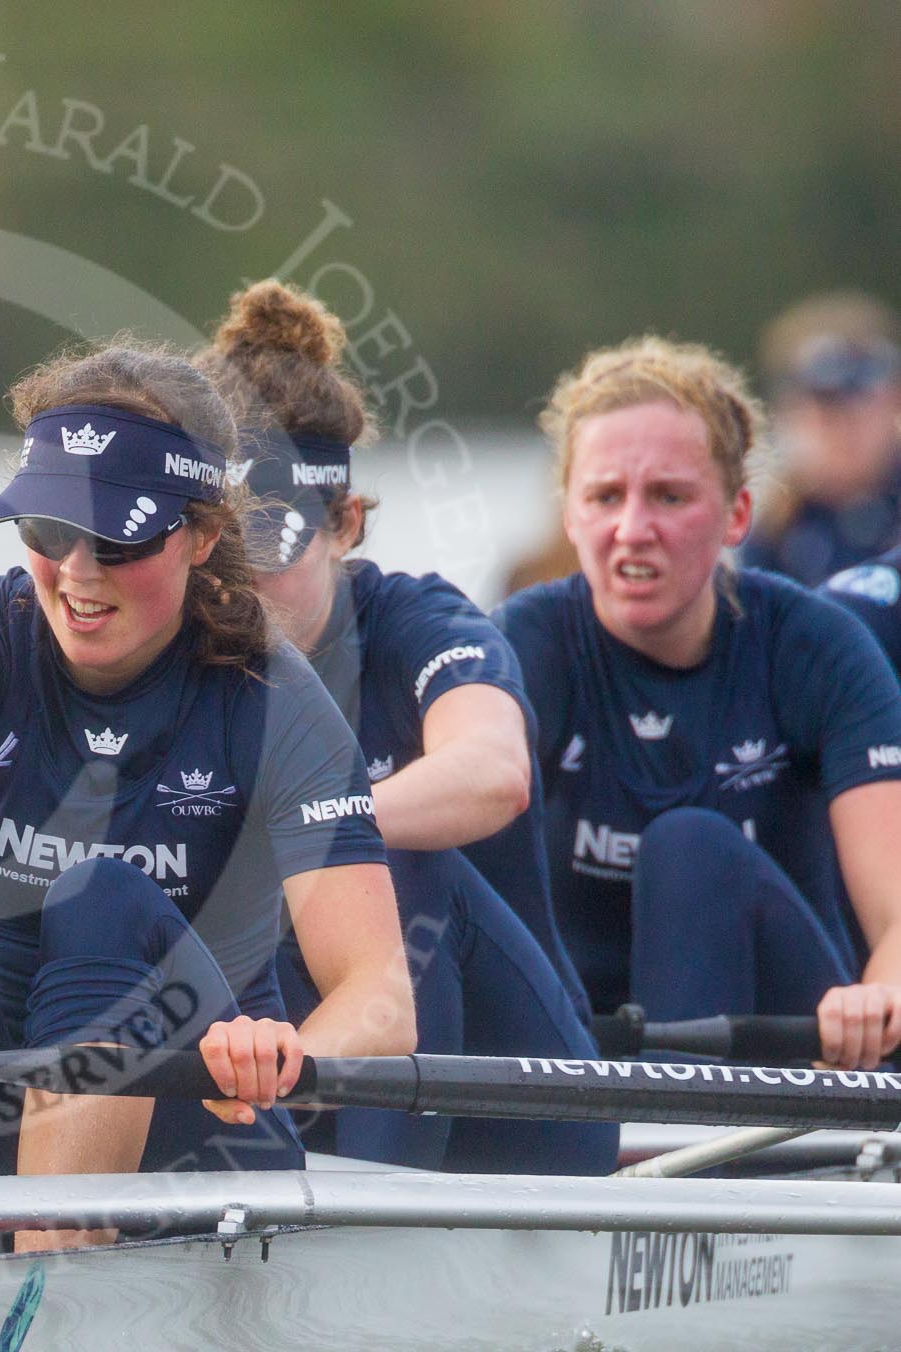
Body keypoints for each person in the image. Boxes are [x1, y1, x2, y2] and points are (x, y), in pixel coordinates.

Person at [0, 342, 416, 1250]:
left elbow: (378, 994)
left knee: (102, 892)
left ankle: (41, 1296)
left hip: (203, 1128)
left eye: (121, 536)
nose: (79, 572)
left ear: (202, 535)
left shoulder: (270, 696)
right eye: (49, 532)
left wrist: (285, 1052)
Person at [192, 281, 611, 1172]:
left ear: (343, 524)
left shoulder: (416, 623)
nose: (239, 582)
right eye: (218, 542)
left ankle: (372, 1217)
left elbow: (493, 770)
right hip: (310, 1081)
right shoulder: (174, 659)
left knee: (385, 858)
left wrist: (316, 833)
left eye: (269, 547)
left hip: (524, 1109)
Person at [495, 336, 901, 1069]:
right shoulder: (523, 646)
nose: (632, 529)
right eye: (605, 497)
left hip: (791, 1049)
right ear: (571, 517)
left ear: (738, 516)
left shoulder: (818, 647)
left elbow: (895, 913)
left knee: (688, 846)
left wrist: (883, 991)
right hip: (577, 1059)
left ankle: (680, 1144)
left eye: (670, 496)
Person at [741, 292, 901, 585]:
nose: (845, 432)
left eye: (862, 410)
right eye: (827, 414)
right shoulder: (768, 527)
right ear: (787, 415)